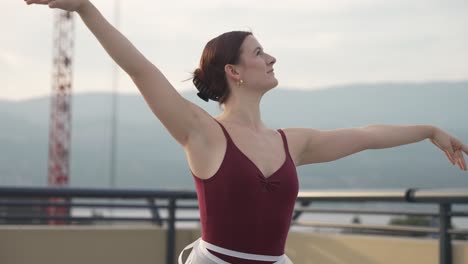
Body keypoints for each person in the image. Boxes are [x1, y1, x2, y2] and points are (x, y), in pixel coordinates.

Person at [25, 0, 468, 263]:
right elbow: (142, 70)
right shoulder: (201, 133)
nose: (272, 58)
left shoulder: (292, 142)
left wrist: (429, 130)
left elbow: (367, 134)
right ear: (234, 71)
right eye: (260, 52)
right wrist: (85, 7)